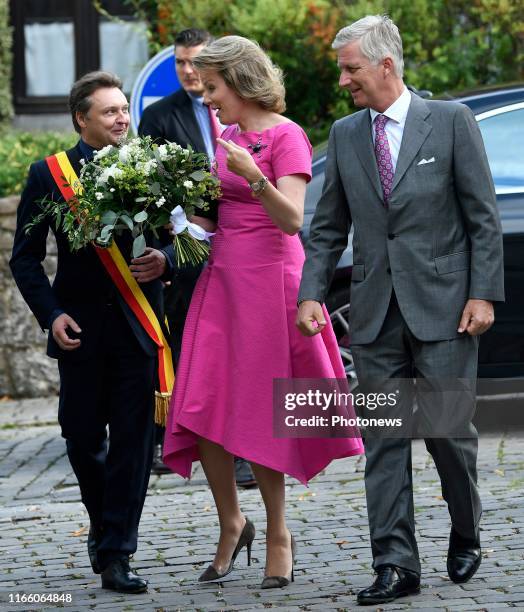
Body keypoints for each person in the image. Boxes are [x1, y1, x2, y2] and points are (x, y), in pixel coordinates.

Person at [296, 15, 504, 606]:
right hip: (374, 312)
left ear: (386, 66)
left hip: (445, 310)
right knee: (384, 441)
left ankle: (466, 529)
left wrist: (482, 292)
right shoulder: (344, 134)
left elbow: (482, 218)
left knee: (447, 435)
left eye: (350, 68)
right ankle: (395, 564)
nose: (343, 80)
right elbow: (329, 225)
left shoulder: (452, 123)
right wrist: (312, 291)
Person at [163, 35, 364, 589]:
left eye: (213, 87)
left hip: (269, 285)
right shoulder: (227, 134)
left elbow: (293, 218)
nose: (206, 99)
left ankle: (278, 532)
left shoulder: (288, 135)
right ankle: (232, 522)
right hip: (222, 280)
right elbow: (217, 216)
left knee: (260, 410)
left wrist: (254, 174)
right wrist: (174, 221)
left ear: (241, 81)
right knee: (200, 403)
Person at [10, 71, 177, 594]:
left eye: (124, 109)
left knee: (133, 444)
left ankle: (116, 553)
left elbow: (188, 239)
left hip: (136, 328)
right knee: (82, 438)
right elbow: (26, 260)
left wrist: (165, 259)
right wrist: (51, 313)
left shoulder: (153, 167)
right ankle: (106, 522)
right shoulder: (49, 175)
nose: (122, 119)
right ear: (82, 118)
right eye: (110, 112)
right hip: (79, 330)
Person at [138, 28, 256, 487]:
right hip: (188, 243)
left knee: (241, 351)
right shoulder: (159, 115)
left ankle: (245, 445)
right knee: (192, 348)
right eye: (181, 63)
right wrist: (168, 254)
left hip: (245, 245)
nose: (189, 72)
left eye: (198, 64)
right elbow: (148, 187)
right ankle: (189, 440)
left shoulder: (246, 119)